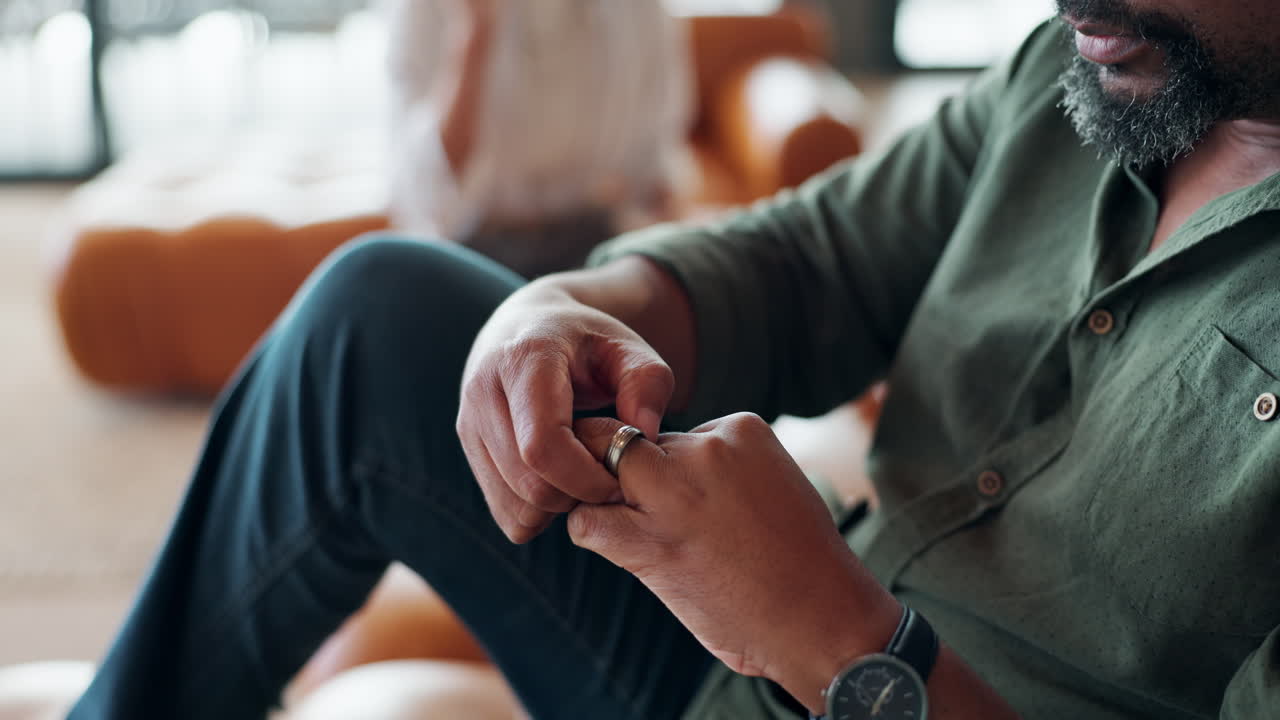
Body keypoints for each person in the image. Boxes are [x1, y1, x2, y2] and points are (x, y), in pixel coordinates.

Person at [68, 0, 1280, 717]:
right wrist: (561, 309)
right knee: (378, 307)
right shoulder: (1075, 72)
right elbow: (809, 265)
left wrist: (842, 642)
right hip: (731, 667)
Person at [385, 0, 691, 278]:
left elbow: (655, 173)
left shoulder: (642, 12)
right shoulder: (421, 10)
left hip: (596, 243)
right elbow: (427, 196)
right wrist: (474, 34)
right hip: (474, 250)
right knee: (364, 271)